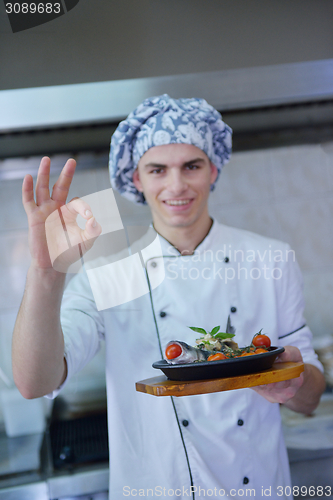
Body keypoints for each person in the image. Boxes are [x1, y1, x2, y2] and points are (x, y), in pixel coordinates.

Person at [13, 95, 325, 499]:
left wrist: (292, 381)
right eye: (157, 169)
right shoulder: (111, 273)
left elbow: (311, 397)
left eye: (191, 166)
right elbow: (34, 382)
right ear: (137, 179)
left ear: (212, 170)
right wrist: (46, 273)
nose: (176, 186)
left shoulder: (270, 258)